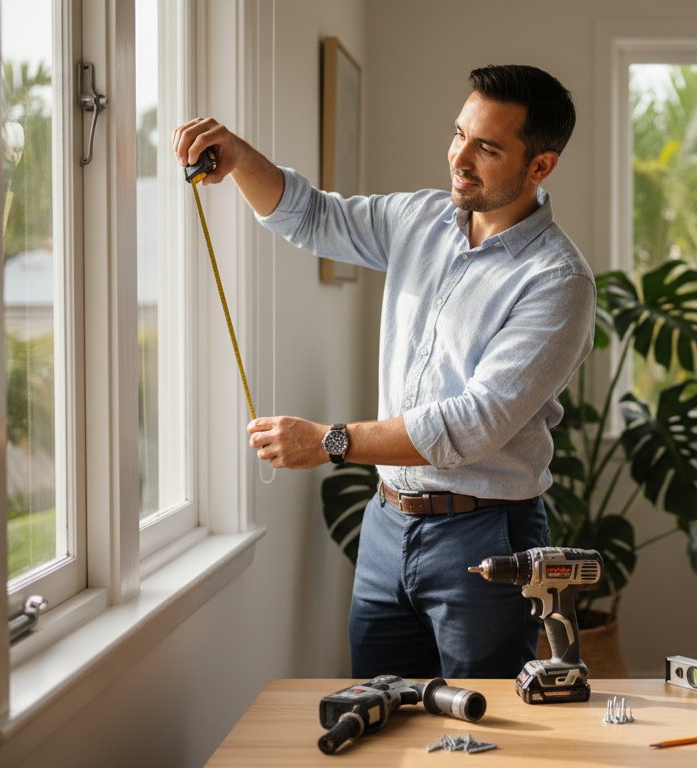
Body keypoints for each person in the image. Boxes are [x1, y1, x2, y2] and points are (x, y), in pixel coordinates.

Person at [172, 65, 594, 679]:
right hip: (386, 525)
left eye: (487, 147)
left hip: (486, 538)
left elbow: (472, 425)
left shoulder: (558, 281)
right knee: (379, 718)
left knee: (485, 736)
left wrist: (329, 442)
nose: (460, 157)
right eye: (459, 134)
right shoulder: (419, 219)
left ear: (541, 166)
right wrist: (237, 157)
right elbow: (310, 216)